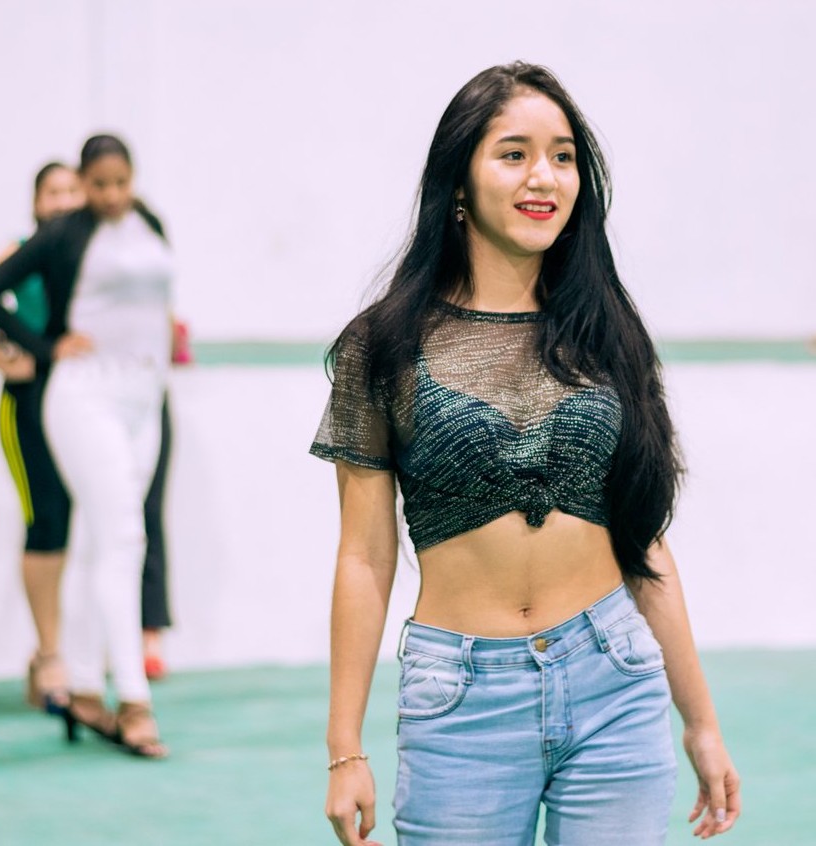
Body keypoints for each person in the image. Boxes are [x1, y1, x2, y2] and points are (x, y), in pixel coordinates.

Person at [311, 62, 741, 845]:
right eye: (513, 154)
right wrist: (345, 749)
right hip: (458, 699)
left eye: (562, 156)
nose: (543, 176)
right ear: (459, 182)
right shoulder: (383, 346)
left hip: (614, 682)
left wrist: (700, 722)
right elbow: (363, 558)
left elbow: (643, 540)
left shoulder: (608, 336)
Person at [0, 134, 172, 758]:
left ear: (133, 178)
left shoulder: (148, 225)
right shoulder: (62, 234)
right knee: (125, 538)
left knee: (100, 542)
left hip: (144, 397)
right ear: (84, 183)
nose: (111, 195)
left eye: (121, 183)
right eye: (99, 184)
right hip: (85, 395)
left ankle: (85, 687)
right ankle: (133, 700)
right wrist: (44, 347)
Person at [0, 162, 83, 713]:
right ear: (36, 203)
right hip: (26, 403)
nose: (63, 201)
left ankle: (54, 651)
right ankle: (50, 655)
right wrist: (5, 360)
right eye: (53, 192)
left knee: (73, 521)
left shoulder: (87, 253)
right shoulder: (21, 251)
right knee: (44, 520)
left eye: (71, 190)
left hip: (75, 400)